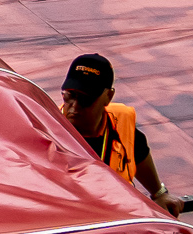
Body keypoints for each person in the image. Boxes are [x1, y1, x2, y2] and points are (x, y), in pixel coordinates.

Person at [59, 55, 175, 213]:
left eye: (86, 99)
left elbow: (139, 153)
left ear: (108, 96)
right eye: (70, 96)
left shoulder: (122, 126)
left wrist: (159, 193)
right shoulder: (49, 131)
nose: (74, 106)